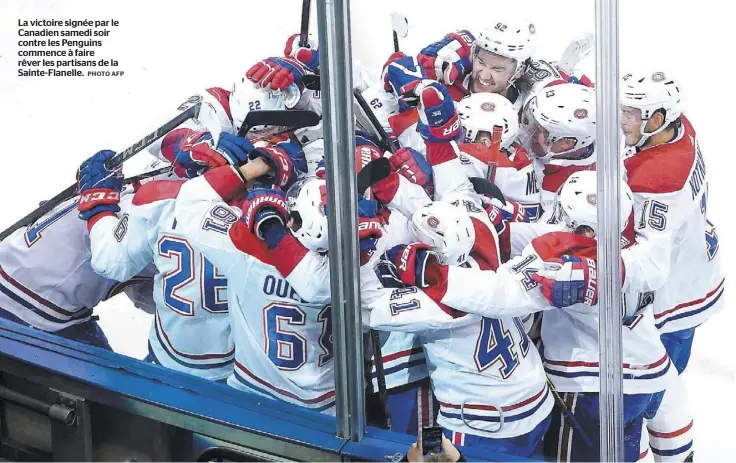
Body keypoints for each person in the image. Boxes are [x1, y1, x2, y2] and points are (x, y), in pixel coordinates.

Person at [79, 137, 267, 380]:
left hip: (168, 358)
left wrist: (99, 207)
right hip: (246, 373)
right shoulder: (275, 217)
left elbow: (109, 261)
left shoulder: (160, 199)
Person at [618, 71, 724, 462]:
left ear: (659, 118)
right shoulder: (681, 128)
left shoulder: (657, 178)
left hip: (671, 301)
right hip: (695, 275)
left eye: (632, 113)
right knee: (664, 393)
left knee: (643, 398)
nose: (622, 121)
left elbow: (648, 259)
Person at [0, 189, 153, 350]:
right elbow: (151, 300)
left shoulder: (121, 184)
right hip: (33, 310)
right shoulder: (157, 218)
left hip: (10, 260)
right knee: (111, 373)